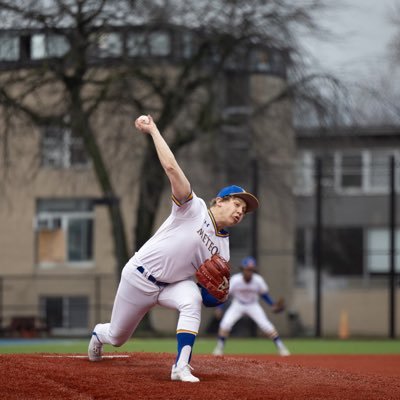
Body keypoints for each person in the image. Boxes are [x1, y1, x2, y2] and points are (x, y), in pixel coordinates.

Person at [88, 115, 259, 382]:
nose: (240, 211)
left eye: (244, 211)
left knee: (191, 299)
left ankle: (181, 366)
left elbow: (208, 295)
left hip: (171, 286)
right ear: (219, 201)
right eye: (237, 204)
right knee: (118, 338)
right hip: (139, 277)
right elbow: (171, 168)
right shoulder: (194, 208)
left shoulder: (223, 251)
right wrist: (154, 129)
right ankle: (99, 333)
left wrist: (218, 295)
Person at [212, 256, 290, 357]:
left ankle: (281, 347)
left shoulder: (258, 280)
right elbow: (226, 295)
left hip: (253, 305)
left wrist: (272, 305)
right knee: (225, 324)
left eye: (251, 270)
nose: (249, 272)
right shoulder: (235, 280)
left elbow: (264, 295)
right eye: (248, 269)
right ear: (243, 269)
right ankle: (219, 348)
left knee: (266, 325)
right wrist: (219, 308)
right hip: (238, 304)